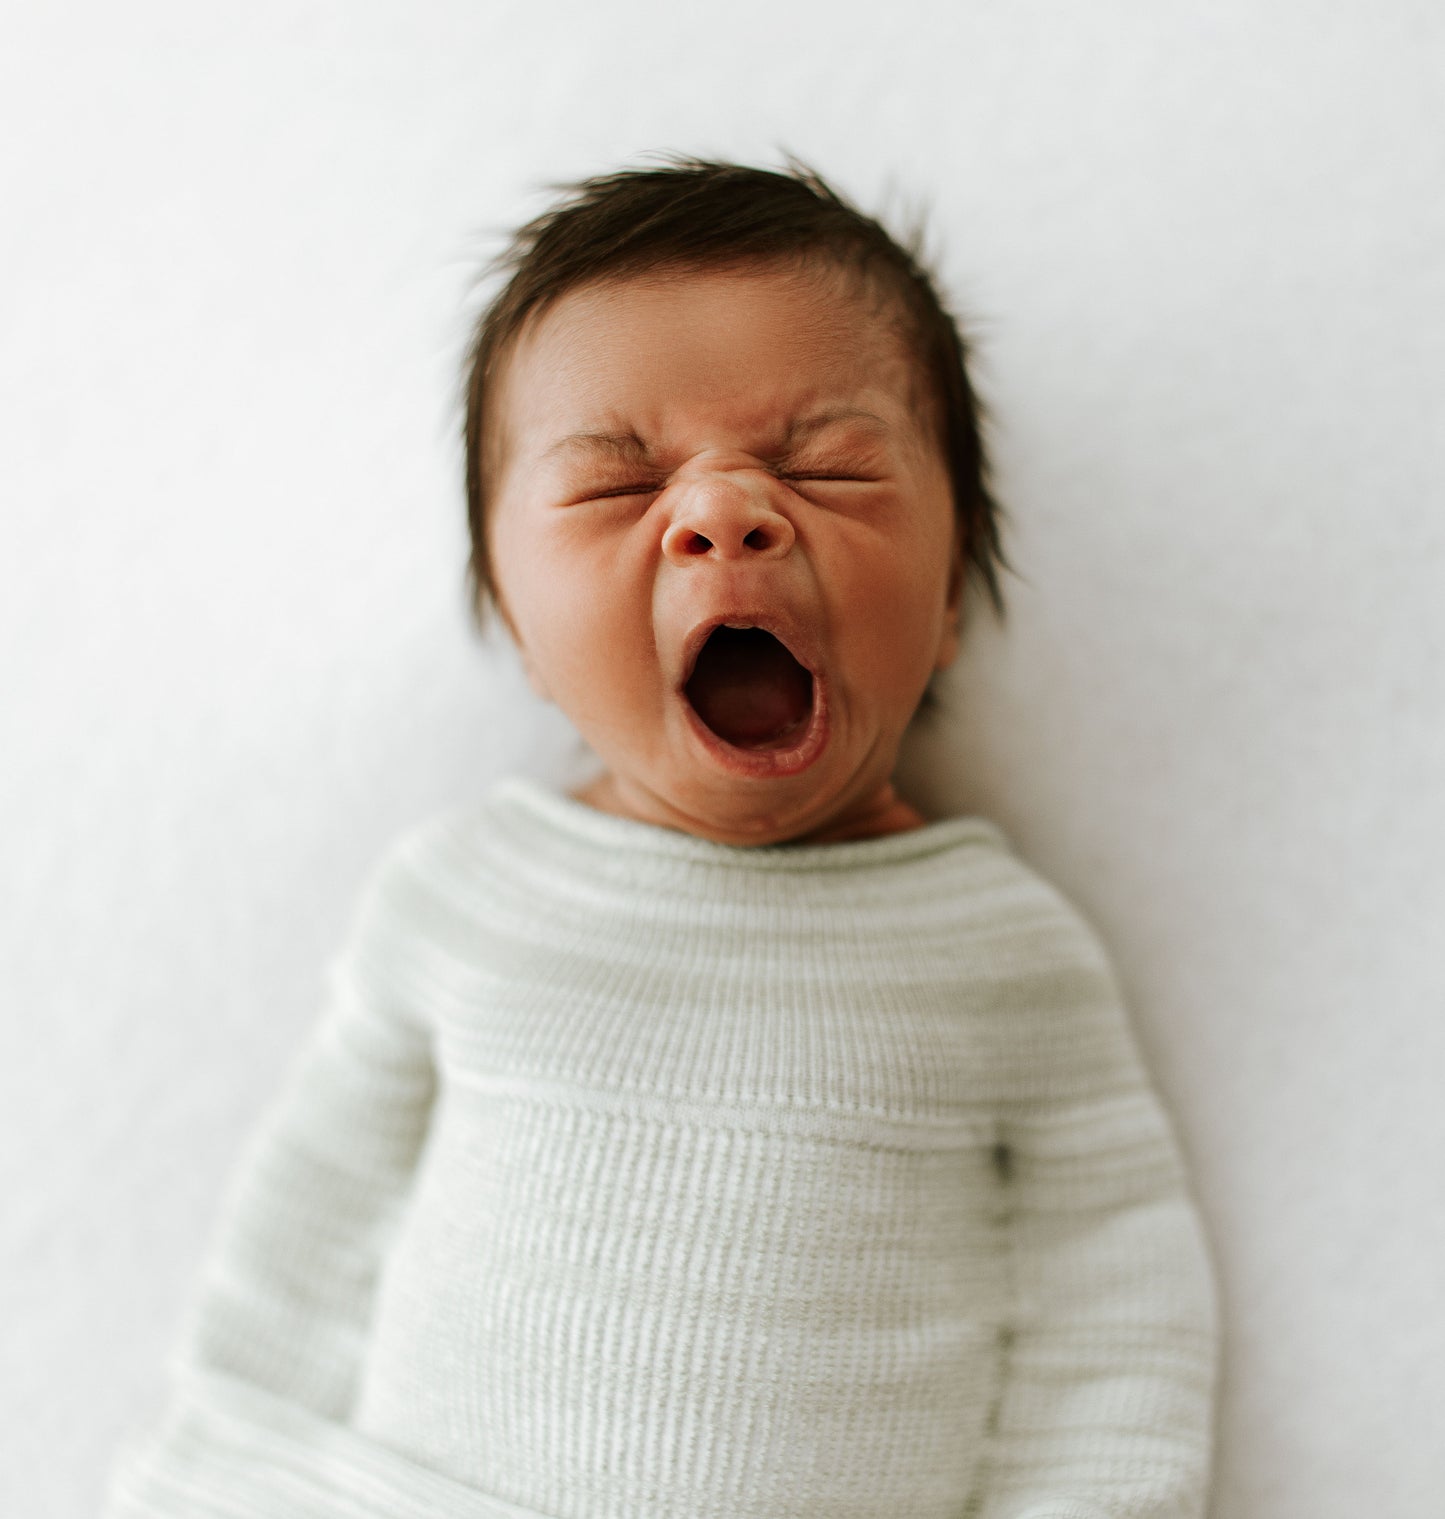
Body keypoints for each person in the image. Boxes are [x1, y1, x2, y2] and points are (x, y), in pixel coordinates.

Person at [103, 157, 1219, 1519]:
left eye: (827, 466)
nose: (722, 513)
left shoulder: (1002, 956)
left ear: (945, 594)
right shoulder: (466, 901)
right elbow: (307, 1249)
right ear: (518, 626)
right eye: (615, 491)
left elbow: (1110, 1320)